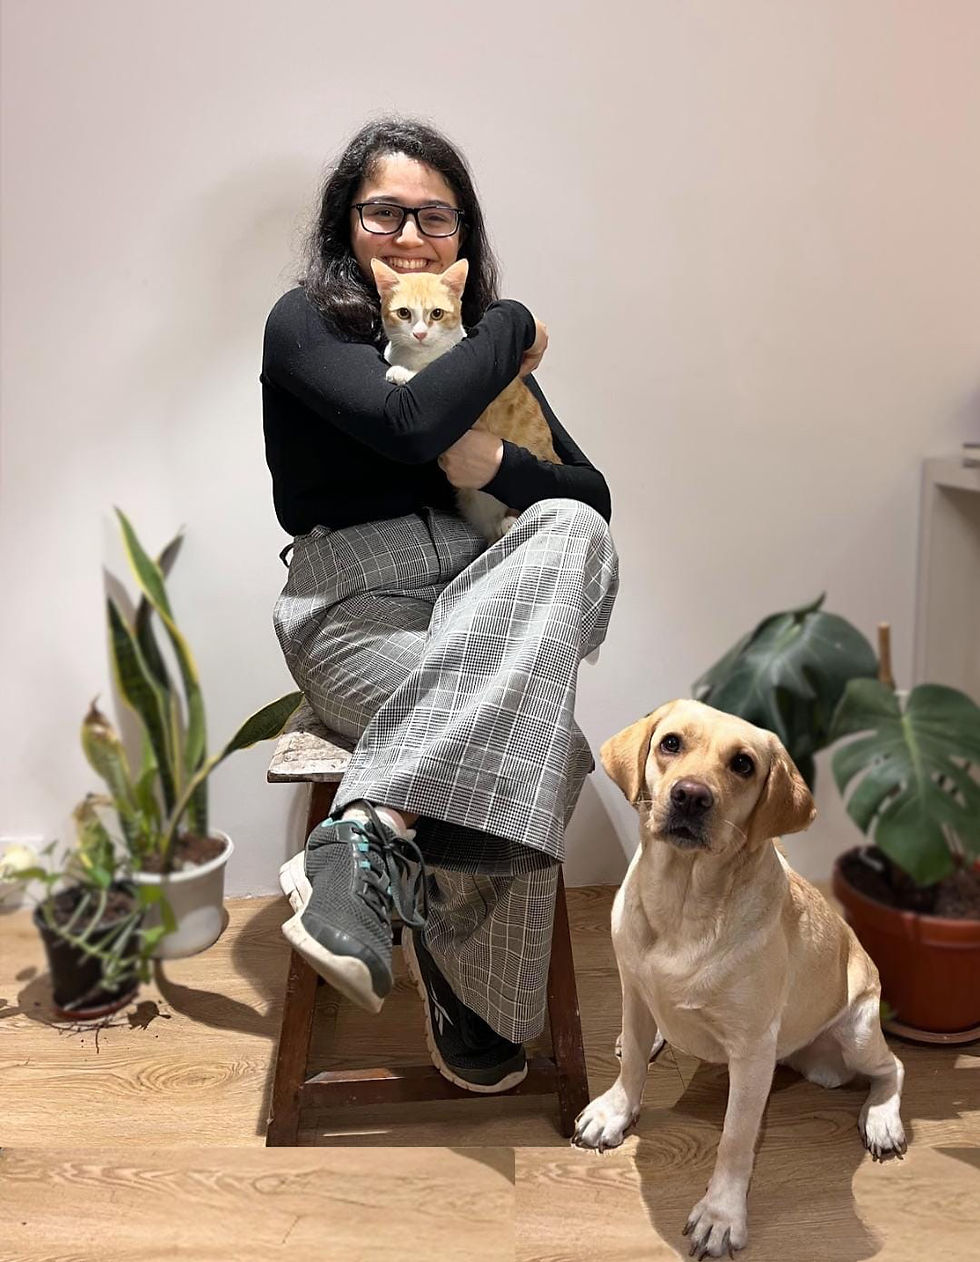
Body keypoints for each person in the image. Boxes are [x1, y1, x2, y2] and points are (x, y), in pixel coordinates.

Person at [262, 117, 619, 1094]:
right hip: (354, 606)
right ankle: (474, 990)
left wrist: (498, 463)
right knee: (536, 730)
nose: (412, 235)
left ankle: (373, 831)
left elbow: (592, 499)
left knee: (572, 532)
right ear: (348, 225)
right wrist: (510, 323)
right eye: (387, 212)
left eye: (436, 216)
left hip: (472, 596)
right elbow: (406, 418)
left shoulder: (471, 350)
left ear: (462, 233)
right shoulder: (306, 324)